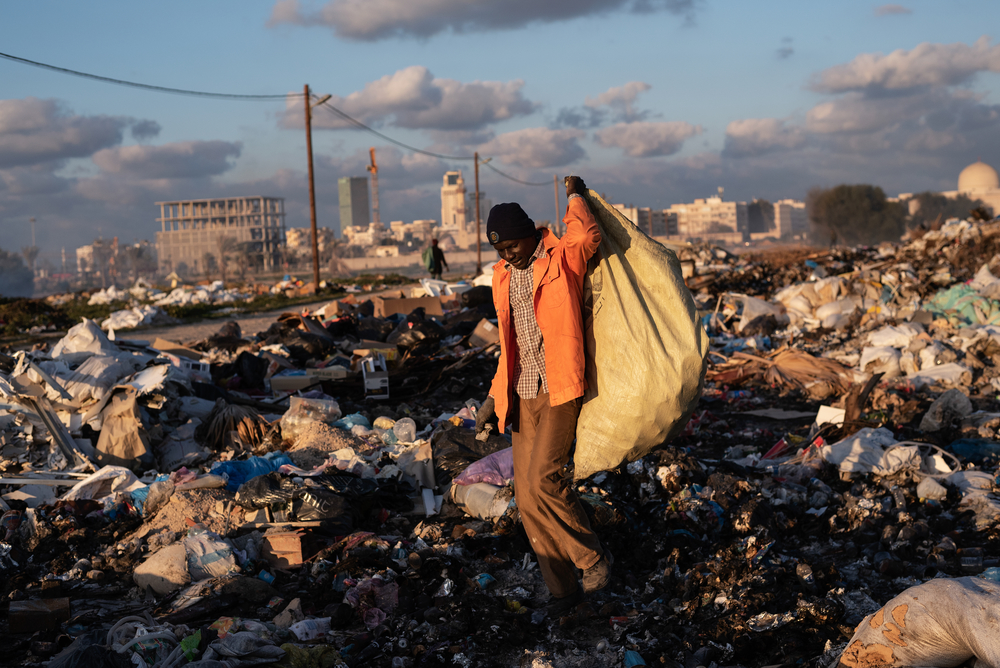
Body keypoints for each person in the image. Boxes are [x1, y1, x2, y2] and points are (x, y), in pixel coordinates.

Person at [475, 175, 612, 616]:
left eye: (511, 246)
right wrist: (493, 400)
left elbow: (588, 233)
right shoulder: (502, 277)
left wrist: (575, 195)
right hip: (521, 391)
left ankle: (593, 559)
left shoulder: (560, 257)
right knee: (528, 498)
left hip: (559, 386)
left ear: (528, 234)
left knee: (546, 479)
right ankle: (562, 592)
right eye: (499, 250)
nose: (506, 255)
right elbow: (508, 346)